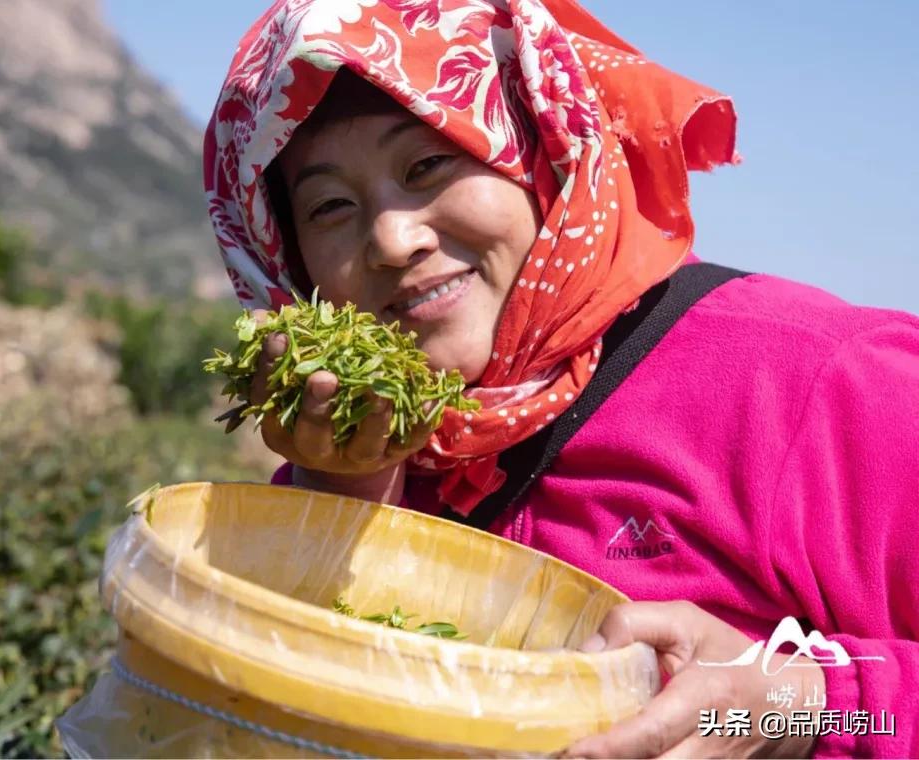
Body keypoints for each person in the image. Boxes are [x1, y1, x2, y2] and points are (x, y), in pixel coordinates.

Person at [205, 1, 919, 756]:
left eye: (428, 164)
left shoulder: (819, 382)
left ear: (544, 147)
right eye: (330, 206)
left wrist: (799, 711)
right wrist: (341, 494)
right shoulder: (341, 463)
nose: (391, 238)